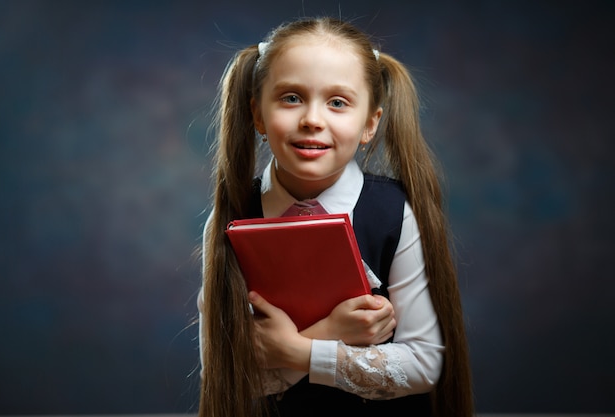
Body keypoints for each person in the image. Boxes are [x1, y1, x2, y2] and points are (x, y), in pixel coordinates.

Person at [196, 16, 473, 417]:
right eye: (291, 98)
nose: (312, 119)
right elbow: (223, 379)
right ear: (257, 115)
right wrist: (331, 334)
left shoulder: (395, 213)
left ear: (369, 123)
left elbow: (423, 366)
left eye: (338, 102)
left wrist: (295, 350)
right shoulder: (229, 218)